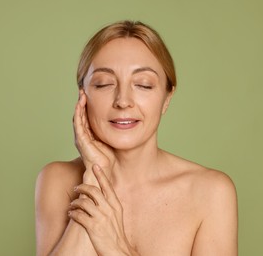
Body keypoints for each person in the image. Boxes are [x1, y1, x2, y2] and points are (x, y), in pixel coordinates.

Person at [35, 20, 238, 256]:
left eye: (143, 85)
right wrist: (96, 177)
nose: (123, 101)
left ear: (167, 98)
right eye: (104, 84)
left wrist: (115, 247)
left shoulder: (210, 192)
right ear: (83, 96)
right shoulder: (56, 180)